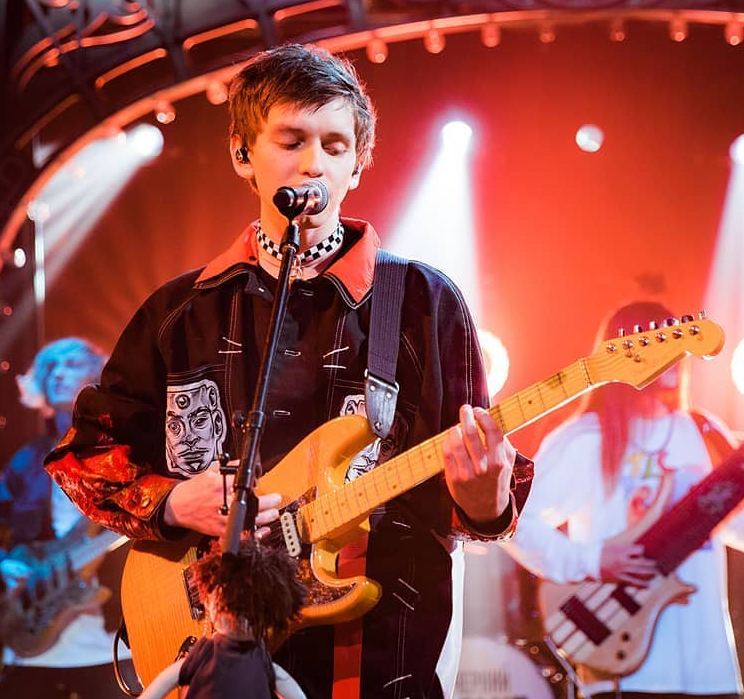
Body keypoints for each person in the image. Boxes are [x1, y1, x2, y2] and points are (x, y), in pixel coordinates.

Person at [44, 43, 532, 699]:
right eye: (292, 140)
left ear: (359, 161)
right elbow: (84, 457)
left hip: (376, 661)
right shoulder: (178, 312)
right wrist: (173, 502)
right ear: (242, 154)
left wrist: (485, 500)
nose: (314, 163)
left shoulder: (422, 302)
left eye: (335, 145)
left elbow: (477, 486)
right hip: (210, 654)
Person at [502, 300, 744, 699]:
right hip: (622, 664)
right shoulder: (585, 437)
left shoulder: (704, 431)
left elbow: (736, 530)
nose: (675, 351)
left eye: (677, 338)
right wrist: (593, 559)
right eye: (661, 338)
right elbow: (514, 521)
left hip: (711, 672)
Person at [0, 337, 134, 698]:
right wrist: (5, 564)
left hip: (111, 650)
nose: (58, 373)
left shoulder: (126, 453)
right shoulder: (26, 460)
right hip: (30, 650)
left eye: (71, 364)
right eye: (49, 367)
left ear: (98, 374)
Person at [138, 537, 308, 699]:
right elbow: (166, 680)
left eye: (249, 614)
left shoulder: (261, 659)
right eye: (228, 608)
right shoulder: (207, 653)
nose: (238, 620)